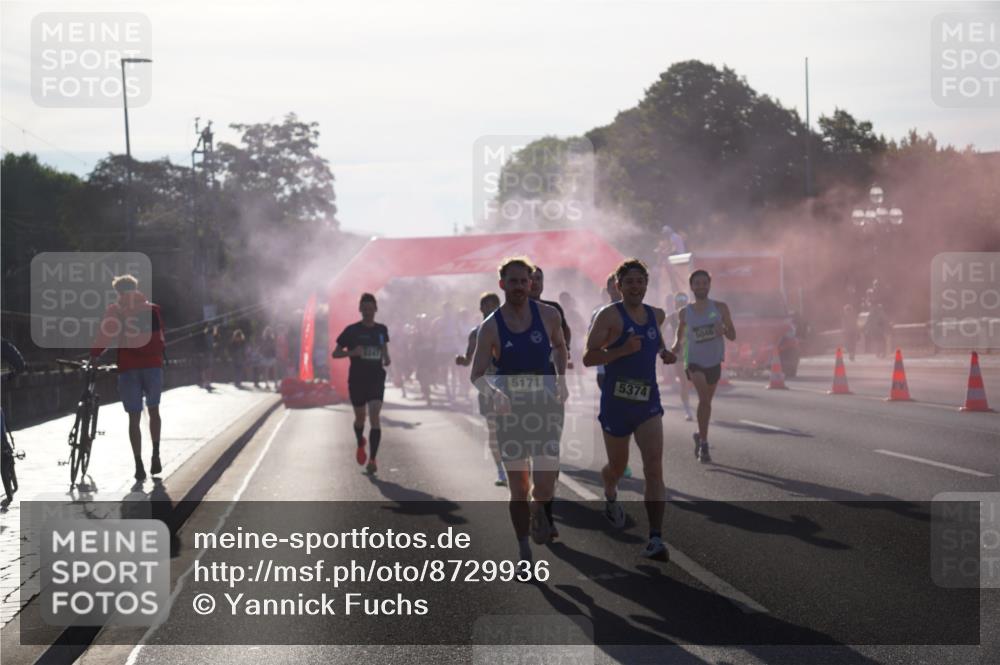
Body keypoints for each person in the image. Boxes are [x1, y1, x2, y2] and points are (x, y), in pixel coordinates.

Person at [470, 257, 568, 563]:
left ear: (531, 283)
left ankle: (539, 508)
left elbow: (560, 346)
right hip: (510, 413)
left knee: (545, 485)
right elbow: (477, 375)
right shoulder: (491, 327)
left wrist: (561, 379)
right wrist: (495, 393)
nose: (519, 287)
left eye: (524, 281)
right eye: (512, 281)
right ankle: (524, 551)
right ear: (502, 284)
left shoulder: (549, 315)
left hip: (545, 409)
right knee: (518, 487)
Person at [584, 259, 677, 559]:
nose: (635, 287)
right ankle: (610, 492)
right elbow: (588, 357)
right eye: (629, 282)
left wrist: (664, 352)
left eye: (640, 281)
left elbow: (656, 338)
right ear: (619, 286)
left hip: (648, 403)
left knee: (654, 468)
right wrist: (622, 350)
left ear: (646, 284)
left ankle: (655, 538)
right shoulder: (608, 316)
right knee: (617, 467)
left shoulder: (656, 314)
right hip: (616, 404)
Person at [89, 274, 166, 481]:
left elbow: (105, 336)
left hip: (129, 367)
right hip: (153, 365)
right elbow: (161, 338)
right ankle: (156, 454)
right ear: (136, 288)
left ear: (118, 291)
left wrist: (95, 355)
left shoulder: (116, 310)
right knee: (154, 410)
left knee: (134, 417)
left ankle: (138, 464)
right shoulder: (152, 308)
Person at [670, 269, 736, 463]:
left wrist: (724, 330)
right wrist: (675, 346)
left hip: (714, 360)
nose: (701, 286)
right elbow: (680, 331)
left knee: (706, 403)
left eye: (704, 283)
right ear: (691, 287)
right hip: (693, 361)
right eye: (697, 283)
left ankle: (699, 434)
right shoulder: (685, 312)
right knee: (704, 399)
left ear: (709, 285)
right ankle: (704, 445)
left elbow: (733, 335)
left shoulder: (720, 308)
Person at [332, 293, 391, 475]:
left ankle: (372, 459)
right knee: (360, 418)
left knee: (374, 416)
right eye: (364, 309)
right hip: (357, 379)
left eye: (370, 308)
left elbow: (384, 349)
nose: (367, 312)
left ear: (376, 309)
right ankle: (360, 442)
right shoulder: (351, 331)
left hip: (376, 378)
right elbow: (335, 353)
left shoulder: (381, 330)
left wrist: (386, 358)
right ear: (360, 310)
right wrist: (352, 353)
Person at [456, 292, 505, 486]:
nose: (491, 309)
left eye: (495, 305)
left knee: (515, 429)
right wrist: (462, 360)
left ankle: (518, 468)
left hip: (509, 385)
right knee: (494, 430)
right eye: (487, 306)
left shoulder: (510, 328)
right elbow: (468, 359)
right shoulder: (476, 333)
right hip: (487, 385)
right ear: (481, 309)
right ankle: (500, 470)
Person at [664, 293, 694, 421]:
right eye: (679, 301)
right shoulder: (671, 317)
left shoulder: (694, 315)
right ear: (675, 303)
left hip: (694, 352)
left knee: (694, 381)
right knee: (684, 382)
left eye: (684, 301)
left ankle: (699, 405)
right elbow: (659, 329)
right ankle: (687, 409)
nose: (681, 303)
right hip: (679, 352)